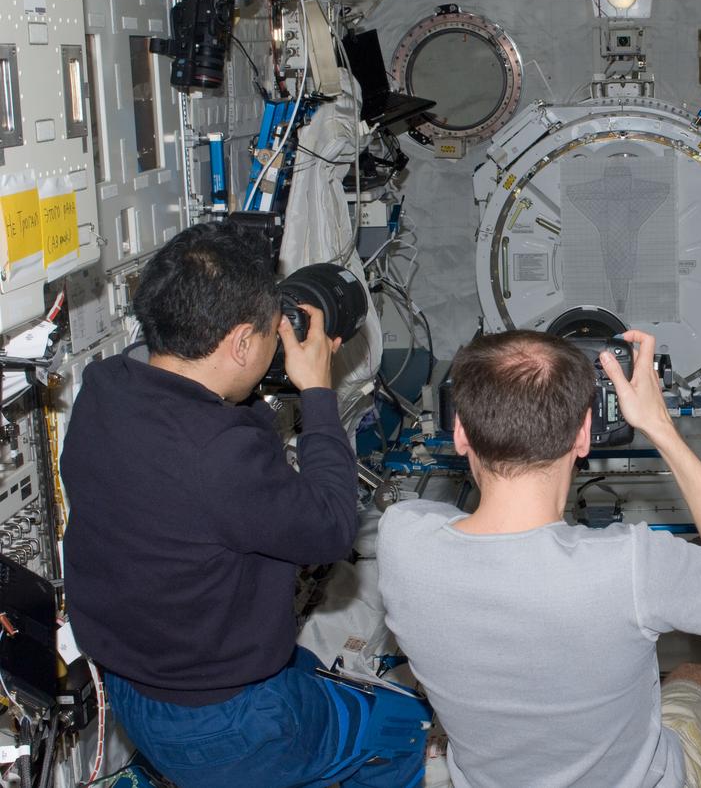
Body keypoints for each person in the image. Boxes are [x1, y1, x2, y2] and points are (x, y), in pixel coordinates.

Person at [61, 222, 427, 788]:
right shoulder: (219, 457)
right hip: (219, 723)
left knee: (307, 674)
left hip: (133, 686)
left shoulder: (104, 387)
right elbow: (331, 527)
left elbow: (213, 436)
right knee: (401, 732)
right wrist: (318, 393)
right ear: (238, 343)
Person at [378, 329, 701, 788]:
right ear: (585, 436)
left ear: (460, 434)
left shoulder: (401, 539)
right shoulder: (630, 566)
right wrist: (661, 429)